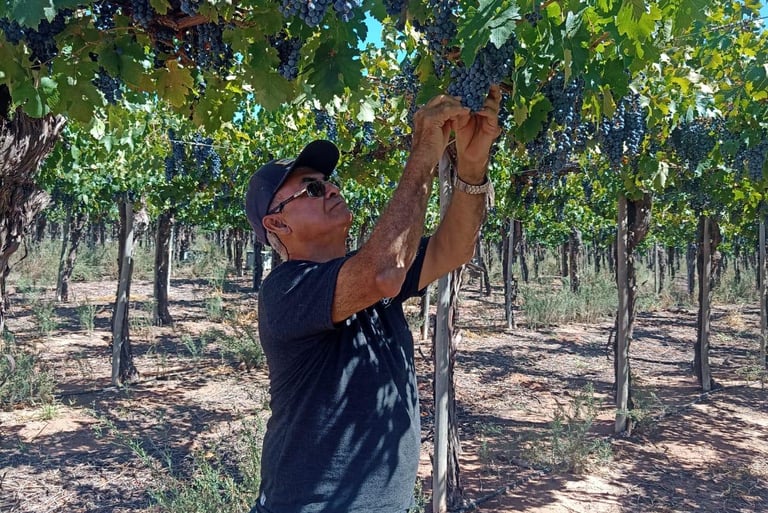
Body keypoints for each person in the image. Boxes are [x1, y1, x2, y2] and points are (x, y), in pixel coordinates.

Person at [244, 85, 502, 513]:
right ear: (277, 224)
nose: (328, 189)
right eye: (310, 189)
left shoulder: (361, 275)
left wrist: (471, 168)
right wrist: (424, 151)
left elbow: (453, 249)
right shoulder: (286, 290)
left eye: (327, 182)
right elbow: (384, 271)